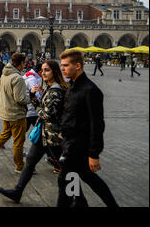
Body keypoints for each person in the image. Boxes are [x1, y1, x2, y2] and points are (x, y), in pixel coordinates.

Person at [0, 60, 70, 203]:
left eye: (47, 70)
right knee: (29, 162)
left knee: (67, 169)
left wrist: (36, 108)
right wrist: (32, 96)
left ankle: (77, 197)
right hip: (43, 135)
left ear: (55, 72)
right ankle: (17, 192)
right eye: (42, 70)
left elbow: (47, 115)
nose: (43, 73)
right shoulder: (48, 88)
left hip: (54, 137)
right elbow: (42, 109)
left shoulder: (56, 91)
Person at [58, 49, 118, 207]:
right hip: (70, 144)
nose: (62, 68)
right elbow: (69, 115)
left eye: (65, 65)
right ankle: (80, 203)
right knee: (87, 179)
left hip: (79, 147)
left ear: (77, 66)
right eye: (61, 65)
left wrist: (94, 154)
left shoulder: (91, 90)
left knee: (65, 181)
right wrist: (62, 133)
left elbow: (97, 125)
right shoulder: (71, 88)